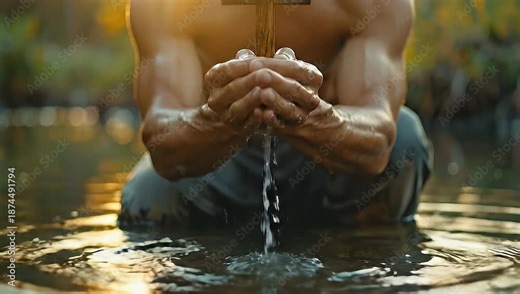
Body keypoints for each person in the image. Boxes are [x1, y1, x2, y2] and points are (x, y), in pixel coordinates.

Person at [118, 0, 433, 227]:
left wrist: (315, 119)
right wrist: (216, 121)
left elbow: (377, 138)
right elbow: (160, 138)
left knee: (404, 140)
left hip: (328, 165)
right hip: (216, 162)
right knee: (149, 197)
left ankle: (363, 257)